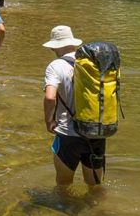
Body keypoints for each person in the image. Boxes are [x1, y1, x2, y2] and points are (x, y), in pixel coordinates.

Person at [43, 25, 105, 188]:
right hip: (96, 131)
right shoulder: (93, 63)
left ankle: (66, 213)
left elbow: (50, 97)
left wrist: (49, 121)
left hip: (69, 134)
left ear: (54, 46)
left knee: (63, 186)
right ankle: (94, 212)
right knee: (95, 187)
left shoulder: (55, 66)